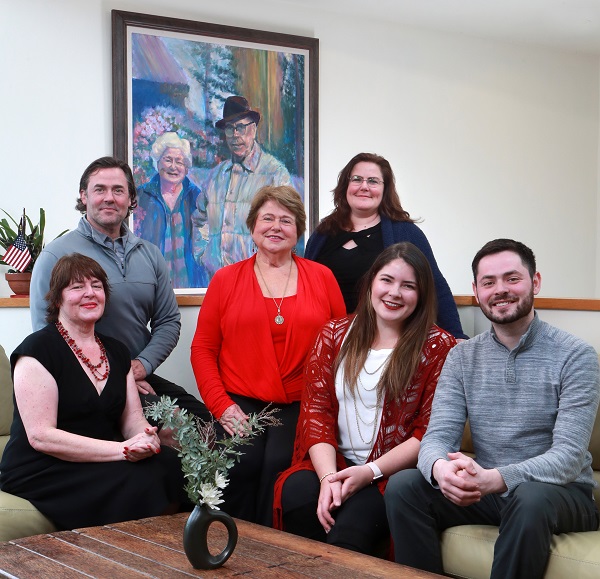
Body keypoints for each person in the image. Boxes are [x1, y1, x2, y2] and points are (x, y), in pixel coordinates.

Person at [384, 239, 600, 579]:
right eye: (488, 282)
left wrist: (496, 479)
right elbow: (437, 436)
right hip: (489, 491)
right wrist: (440, 469)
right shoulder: (461, 357)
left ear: (535, 282)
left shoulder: (576, 355)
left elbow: (569, 457)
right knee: (405, 487)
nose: (500, 290)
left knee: (528, 498)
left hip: (559, 495)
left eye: (512, 278)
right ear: (476, 290)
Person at [273, 242, 456, 556]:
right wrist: (328, 477)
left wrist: (369, 472)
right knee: (297, 494)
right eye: (386, 280)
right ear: (371, 281)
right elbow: (317, 412)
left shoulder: (438, 346)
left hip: (389, 476)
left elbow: (428, 434)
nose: (394, 293)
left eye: (408, 286)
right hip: (335, 464)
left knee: (351, 529)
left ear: (422, 294)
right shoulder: (333, 333)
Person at [191, 185, 346, 526]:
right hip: (238, 401)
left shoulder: (322, 278)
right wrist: (222, 407)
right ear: (252, 226)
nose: (276, 227)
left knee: (282, 465)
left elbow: (342, 347)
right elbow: (203, 350)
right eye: (268, 218)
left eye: (286, 220)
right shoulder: (225, 279)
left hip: (304, 403)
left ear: (298, 231)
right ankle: (227, 544)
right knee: (239, 461)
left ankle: (274, 554)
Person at [0, 254, 187, 530]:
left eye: (96, 286)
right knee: (138, 483)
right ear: (57, 298)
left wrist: (146, 438)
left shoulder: (117, 350)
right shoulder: (37, 351)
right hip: (43, 467)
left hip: (98, 457)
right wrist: (122, 449)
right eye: (76, 287)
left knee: (171, 465)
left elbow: (132, 419)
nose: (89, 293)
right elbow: (41, 437)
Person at [30, 156, 207, 420]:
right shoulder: (56, 256)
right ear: (84, 196)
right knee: (163, 444)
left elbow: (168, 321)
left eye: (118, 190)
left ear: (131, 199)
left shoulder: (151, 254)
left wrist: (141, 366)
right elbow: (45, 334)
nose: (109, 198)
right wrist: (109, 379)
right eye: (99, 189)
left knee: (205, 425)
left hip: (139, 376)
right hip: (84, 386)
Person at [305, 152, 467, 339]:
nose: (364, 186)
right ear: (345, 185)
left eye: (373, 181)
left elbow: (435, 286)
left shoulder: (406, 233)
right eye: (357, 179)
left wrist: (456, 335)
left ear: (385, 189)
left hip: (386, 342)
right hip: (330, 340)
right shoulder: (322, 234)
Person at [192, 95, 292, 279]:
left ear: (253, 130)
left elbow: (286, 228)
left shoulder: (275, 174)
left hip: (259, 283)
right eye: (230, 129)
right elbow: (200, 220)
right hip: (218, 281)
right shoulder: (214, 177)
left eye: (240, 127)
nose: (236, 135)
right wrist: (204, 256)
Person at [134, 132, 208, 288]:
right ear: (158, 163)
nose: (173, 167)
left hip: (191, 283)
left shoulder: (197, 198)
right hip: (151, 285)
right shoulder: (141, 197)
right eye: (168, 160)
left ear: (186, 168)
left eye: (179, 162)